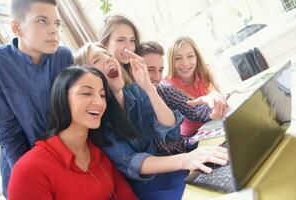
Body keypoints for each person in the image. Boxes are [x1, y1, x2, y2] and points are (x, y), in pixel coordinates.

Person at [74, 43, 228, 200]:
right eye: (97, 59)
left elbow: (170, 134)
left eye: (108, 55)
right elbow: (133, 162)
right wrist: (185, 160)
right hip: (151, 185)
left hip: (175, 167)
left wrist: (149, 88)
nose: (107, 59)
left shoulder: (136, 90)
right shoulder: (99, 118)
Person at [7, 66, 138, 200]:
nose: (99, 102)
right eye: (87, 93)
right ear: (62, 98)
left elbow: (127, 196)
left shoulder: (101, 153)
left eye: (102, 95)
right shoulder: (29, 170)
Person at [0, 0, 73, 196]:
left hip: (67, 159)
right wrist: (34, 178)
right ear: (16, 27)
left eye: (57, 23)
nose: (54, 30)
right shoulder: (0, 64)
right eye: (42, 21)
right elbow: (9, 135)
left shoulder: (64, 56)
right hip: (23, 166)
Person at [164, 36, 227, 136]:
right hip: (194, 136)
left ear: (196, 56)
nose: (185, 63)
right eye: (178, 58)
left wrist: (220, 94)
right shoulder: (168, 86)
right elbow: (199, 110)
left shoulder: (205, 70)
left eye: (190, 56)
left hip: (218, 125)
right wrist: (215, 95)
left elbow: (224, 88)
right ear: (171, 61)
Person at [99, 13, 141, 84]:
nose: (128, 47)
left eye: (132, 40)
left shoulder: (134, 70)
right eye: (120, 40)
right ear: (106, 44)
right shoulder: (107, 78)